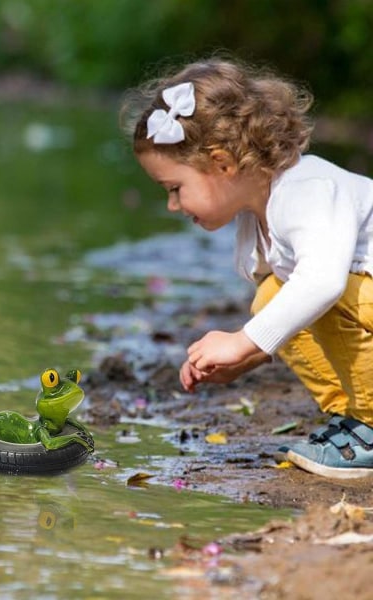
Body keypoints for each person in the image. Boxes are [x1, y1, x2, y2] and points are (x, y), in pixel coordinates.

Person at [120, 56, 373, 480]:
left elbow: (323, 281)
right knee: (274, 295)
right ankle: (351, 418)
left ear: (221, 163)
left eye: (175, 189)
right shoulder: (255, 227)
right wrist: (251, 353)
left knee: (313, 291)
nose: (173, 205)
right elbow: (292, 310)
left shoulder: (306, 188)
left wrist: (242, 340)